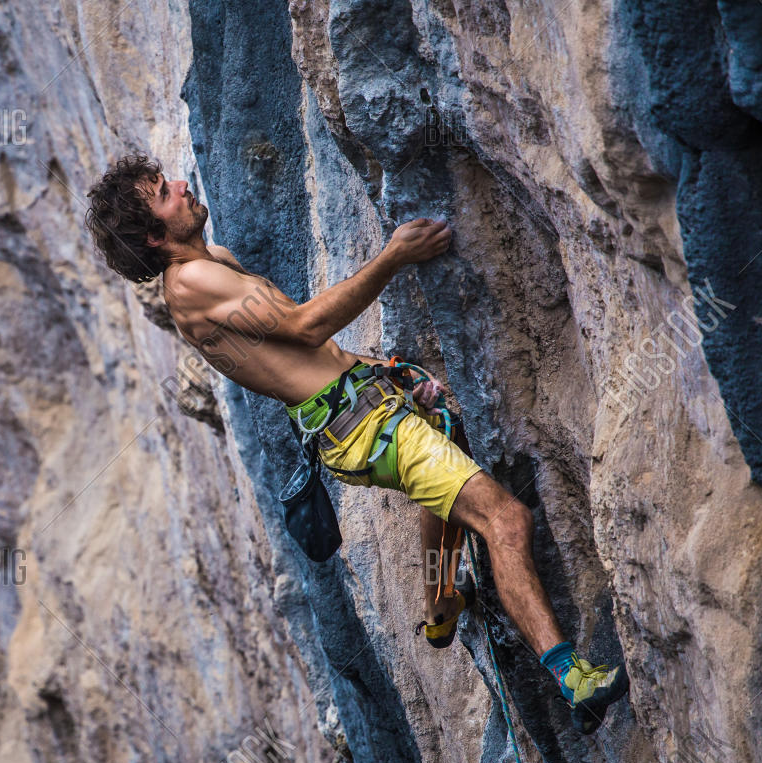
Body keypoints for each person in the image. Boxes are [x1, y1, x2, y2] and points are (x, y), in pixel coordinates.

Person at [84, 153, 628, 732]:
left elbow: (303, 357)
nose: (182, 185)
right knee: (506, 520)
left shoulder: (213, 260)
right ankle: (572, 678)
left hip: (357, 410)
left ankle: (443, 606)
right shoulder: (191, 282)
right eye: (165, 191)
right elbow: (306, 328)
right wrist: (394, 255)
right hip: (363, 430)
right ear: (154, 234)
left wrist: (382, 367)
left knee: (442, 462)